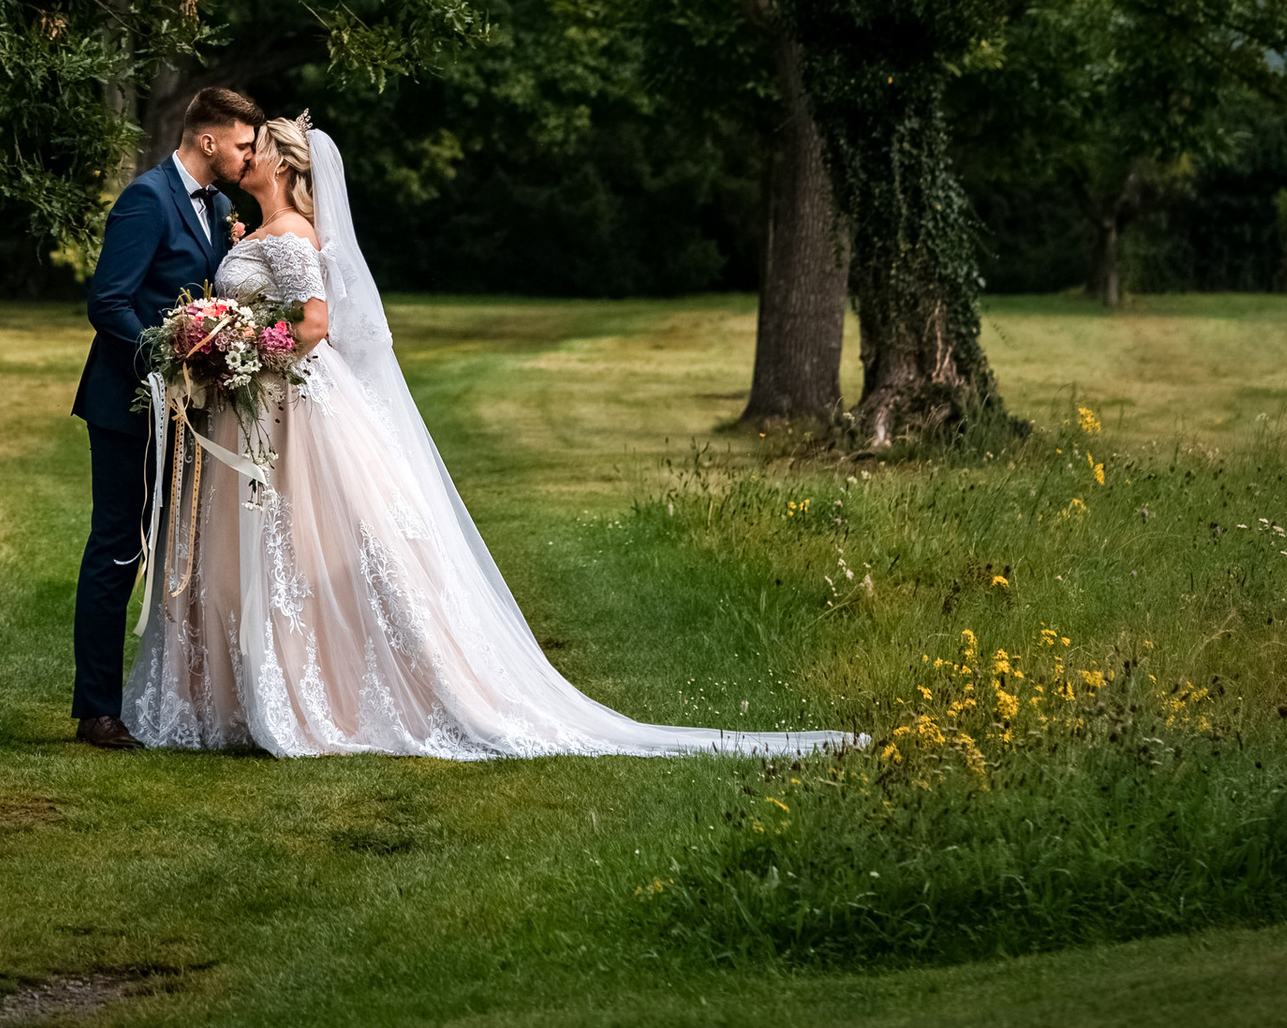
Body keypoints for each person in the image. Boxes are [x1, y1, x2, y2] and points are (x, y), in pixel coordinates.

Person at [124, 114, 854, 761]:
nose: (245, 156)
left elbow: (314, 325)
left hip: (290, 404)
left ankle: (318, 691)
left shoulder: (291, 236)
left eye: (256, 148)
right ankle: (246, 694)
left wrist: (242, 347)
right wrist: (226, 342)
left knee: (303, 547)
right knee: (258, 551)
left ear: (283, 164)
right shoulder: (256, 229)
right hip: (260, 404)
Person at [69, 82, 264, 748]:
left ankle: (179, 698)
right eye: (242, 144)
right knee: (118, 548)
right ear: (208, 140)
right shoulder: (146, 199)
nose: (248, 156)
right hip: (128, 406)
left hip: (188, 412)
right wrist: (169, 358)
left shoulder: (219, 207)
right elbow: (109, 303)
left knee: (182, 554)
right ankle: (96, 710)